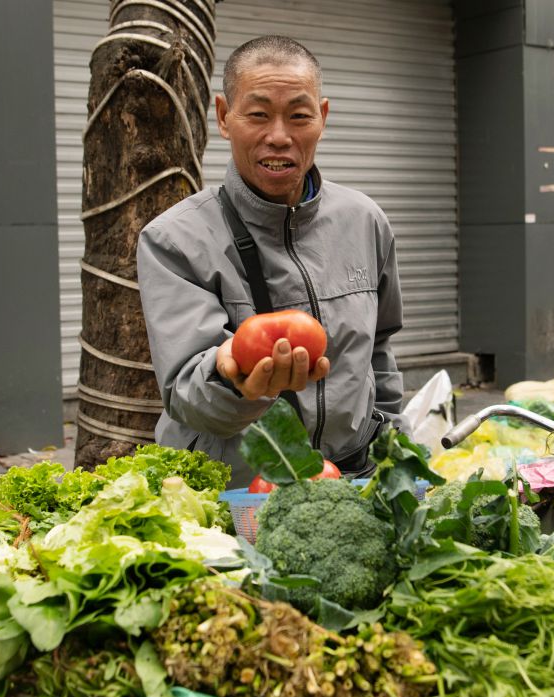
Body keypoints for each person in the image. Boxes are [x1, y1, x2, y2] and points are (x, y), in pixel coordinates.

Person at [137, 36, 408, 487]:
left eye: (299, 115)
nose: (279, 136)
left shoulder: (365, 221)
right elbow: (183, 392)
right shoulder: (175, 239)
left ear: (322, 117)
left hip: (348, 479)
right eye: (258, 114)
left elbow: (379, 352)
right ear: (225, 117)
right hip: (234, 490)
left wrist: (397, 450)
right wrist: (236, 381)